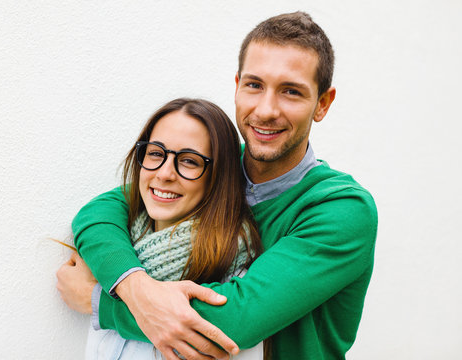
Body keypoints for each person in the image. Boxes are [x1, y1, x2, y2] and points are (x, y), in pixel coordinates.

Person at [57, 11, 378, 360]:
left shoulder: (341, 209)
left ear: (322, 103)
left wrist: (99, 302)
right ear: (238, 85)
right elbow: (102, 210)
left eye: (291, 91)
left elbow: (230, 324)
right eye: (255, 85)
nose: (266, 110)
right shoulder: (214, 167)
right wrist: (134, 285)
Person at [57, 98, 265, 359]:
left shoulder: (235, 279)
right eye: (155, 153)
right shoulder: (110, 257)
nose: (165, 173)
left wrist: (97, 301)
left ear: (219, 178)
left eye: (189, 161)